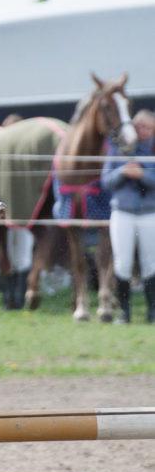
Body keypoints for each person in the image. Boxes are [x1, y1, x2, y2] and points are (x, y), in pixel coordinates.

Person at [101, 109, 155, 323]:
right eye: (140, 126)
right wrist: (122, 172)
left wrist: (143, 175)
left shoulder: (151, 152)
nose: (144, 131)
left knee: (151, 262)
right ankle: (125, 312)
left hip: (149, 213)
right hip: (122, 213)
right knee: (122, 262)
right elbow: (106, 181)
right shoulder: (116, 150)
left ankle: (152, 312)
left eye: (149, 128)